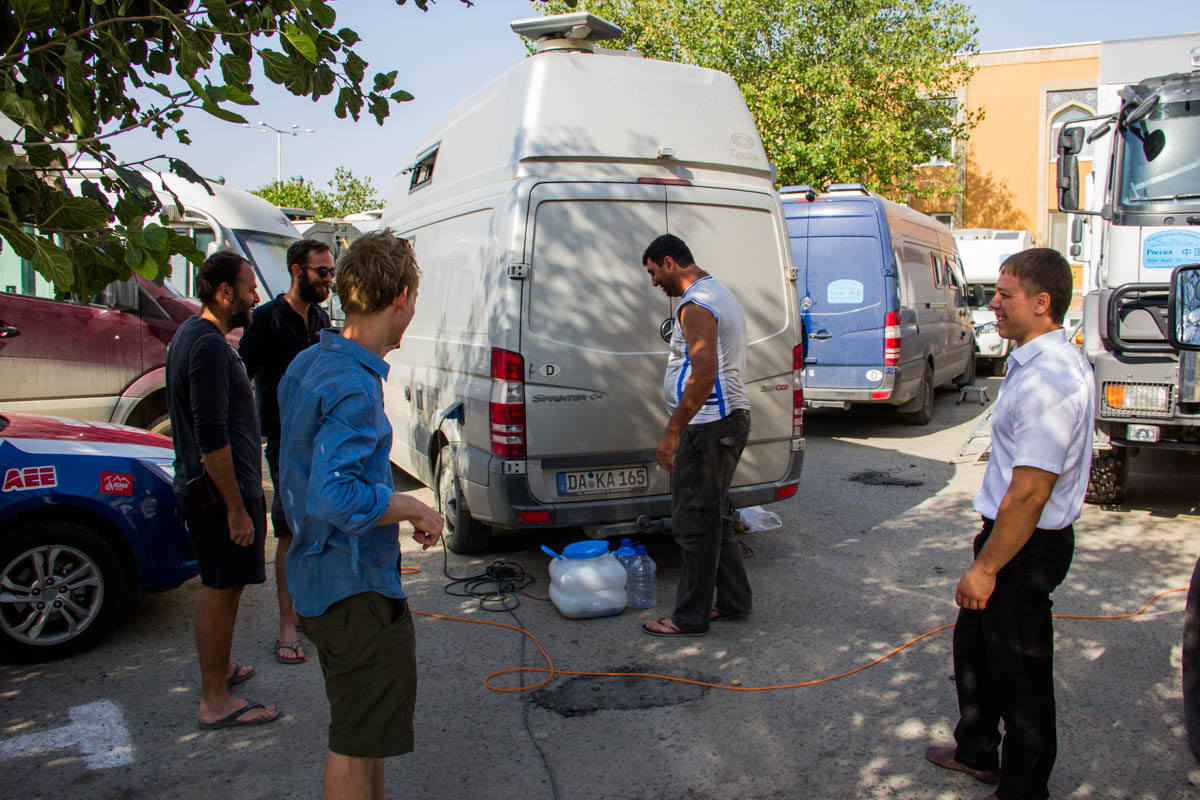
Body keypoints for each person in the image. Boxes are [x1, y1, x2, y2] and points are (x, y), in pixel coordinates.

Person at [924, 248, 1095, 800]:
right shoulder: (1033, 361)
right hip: (1009, 539)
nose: (993, 304)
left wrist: (987, 568)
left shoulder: (1050, 379)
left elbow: (1031, 491)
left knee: (1021, 676)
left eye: (1005, 294)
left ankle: (1023, 788)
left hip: (1025, 544)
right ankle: (976, 748)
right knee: (975, 647)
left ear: (1042, 303)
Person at [278, 231, 444, 800]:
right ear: (401, 297)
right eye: (414, 298)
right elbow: (332, 494)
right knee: (354, 742)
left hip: (317, 578)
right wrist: (410, 506)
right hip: (351, 591)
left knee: (365, 733)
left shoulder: (311, 361)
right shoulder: (353, 384)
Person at [165, 250, 280, 730]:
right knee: (221, 589)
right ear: (224, 292)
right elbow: (211, 437)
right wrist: (235, 508)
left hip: (217, 493)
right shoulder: (208, 346)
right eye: (249, 288)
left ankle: (222, 668)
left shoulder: (195, 336)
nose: (255, 297)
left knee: (226, 587)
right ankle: (214, 700)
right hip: (219, 498)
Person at [639, 234, 753, 637]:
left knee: (694, 524)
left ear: (670, 262)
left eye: (654, 272)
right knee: (713, 517)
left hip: (708, 428)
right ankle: (735, 601)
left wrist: (672, 433)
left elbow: (704, 376)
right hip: (721, 424)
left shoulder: (696, 304)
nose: (654, 282)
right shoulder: (715, 292)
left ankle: (689, 617)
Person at [238, 238, 334, 665]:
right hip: (284, 442)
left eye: (331, 271)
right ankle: (287, 625)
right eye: (322, 272)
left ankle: (315, 610)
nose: (328, 279)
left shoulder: (321, 318)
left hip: (322, 438)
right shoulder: (266, 319)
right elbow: (240, 376)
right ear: (298, 271)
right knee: (291, 531)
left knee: (324, 523)